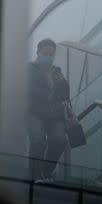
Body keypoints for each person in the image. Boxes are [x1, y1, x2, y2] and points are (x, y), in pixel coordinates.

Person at [28, 38, 70, 181]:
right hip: (34, 113)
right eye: (46, 53)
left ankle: (46, 171)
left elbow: (65, 95)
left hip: (54, 115)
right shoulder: (30, 69)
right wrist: (51, 91)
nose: (49, 57)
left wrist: (62, 83)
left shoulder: (56, 71)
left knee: (60, 140)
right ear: (38, 52)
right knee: (37, 140)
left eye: (51, 54)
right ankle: (35, 176)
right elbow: (30, 91)